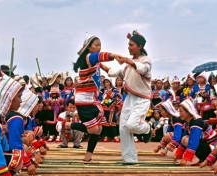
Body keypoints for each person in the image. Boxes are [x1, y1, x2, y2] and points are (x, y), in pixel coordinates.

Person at [64, 34, 121, 162]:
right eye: (96, 45)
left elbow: (106, 67)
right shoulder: (88, 57)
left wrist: (121, 71)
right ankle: (69, 124)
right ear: (88, 47)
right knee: (94, 129)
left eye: (100, 45)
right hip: (84, 98)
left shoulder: (95, 61)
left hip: (93, 98)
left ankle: (88, 157)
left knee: (98, 129)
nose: (99, 47)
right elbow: (102, 56)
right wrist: (116, 56)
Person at [101, 30, 152, 163]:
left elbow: (142, 69)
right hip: (129, 98)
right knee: (123, 128)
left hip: (142, 99)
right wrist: (98, 63)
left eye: (131, 45)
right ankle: (130, 159)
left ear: (139, 46)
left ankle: (148, 129)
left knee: (132, 125)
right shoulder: (127, 65)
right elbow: (113, 72)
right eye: (128, 44)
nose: (128, 47)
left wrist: (127, 60)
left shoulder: (145, 61)